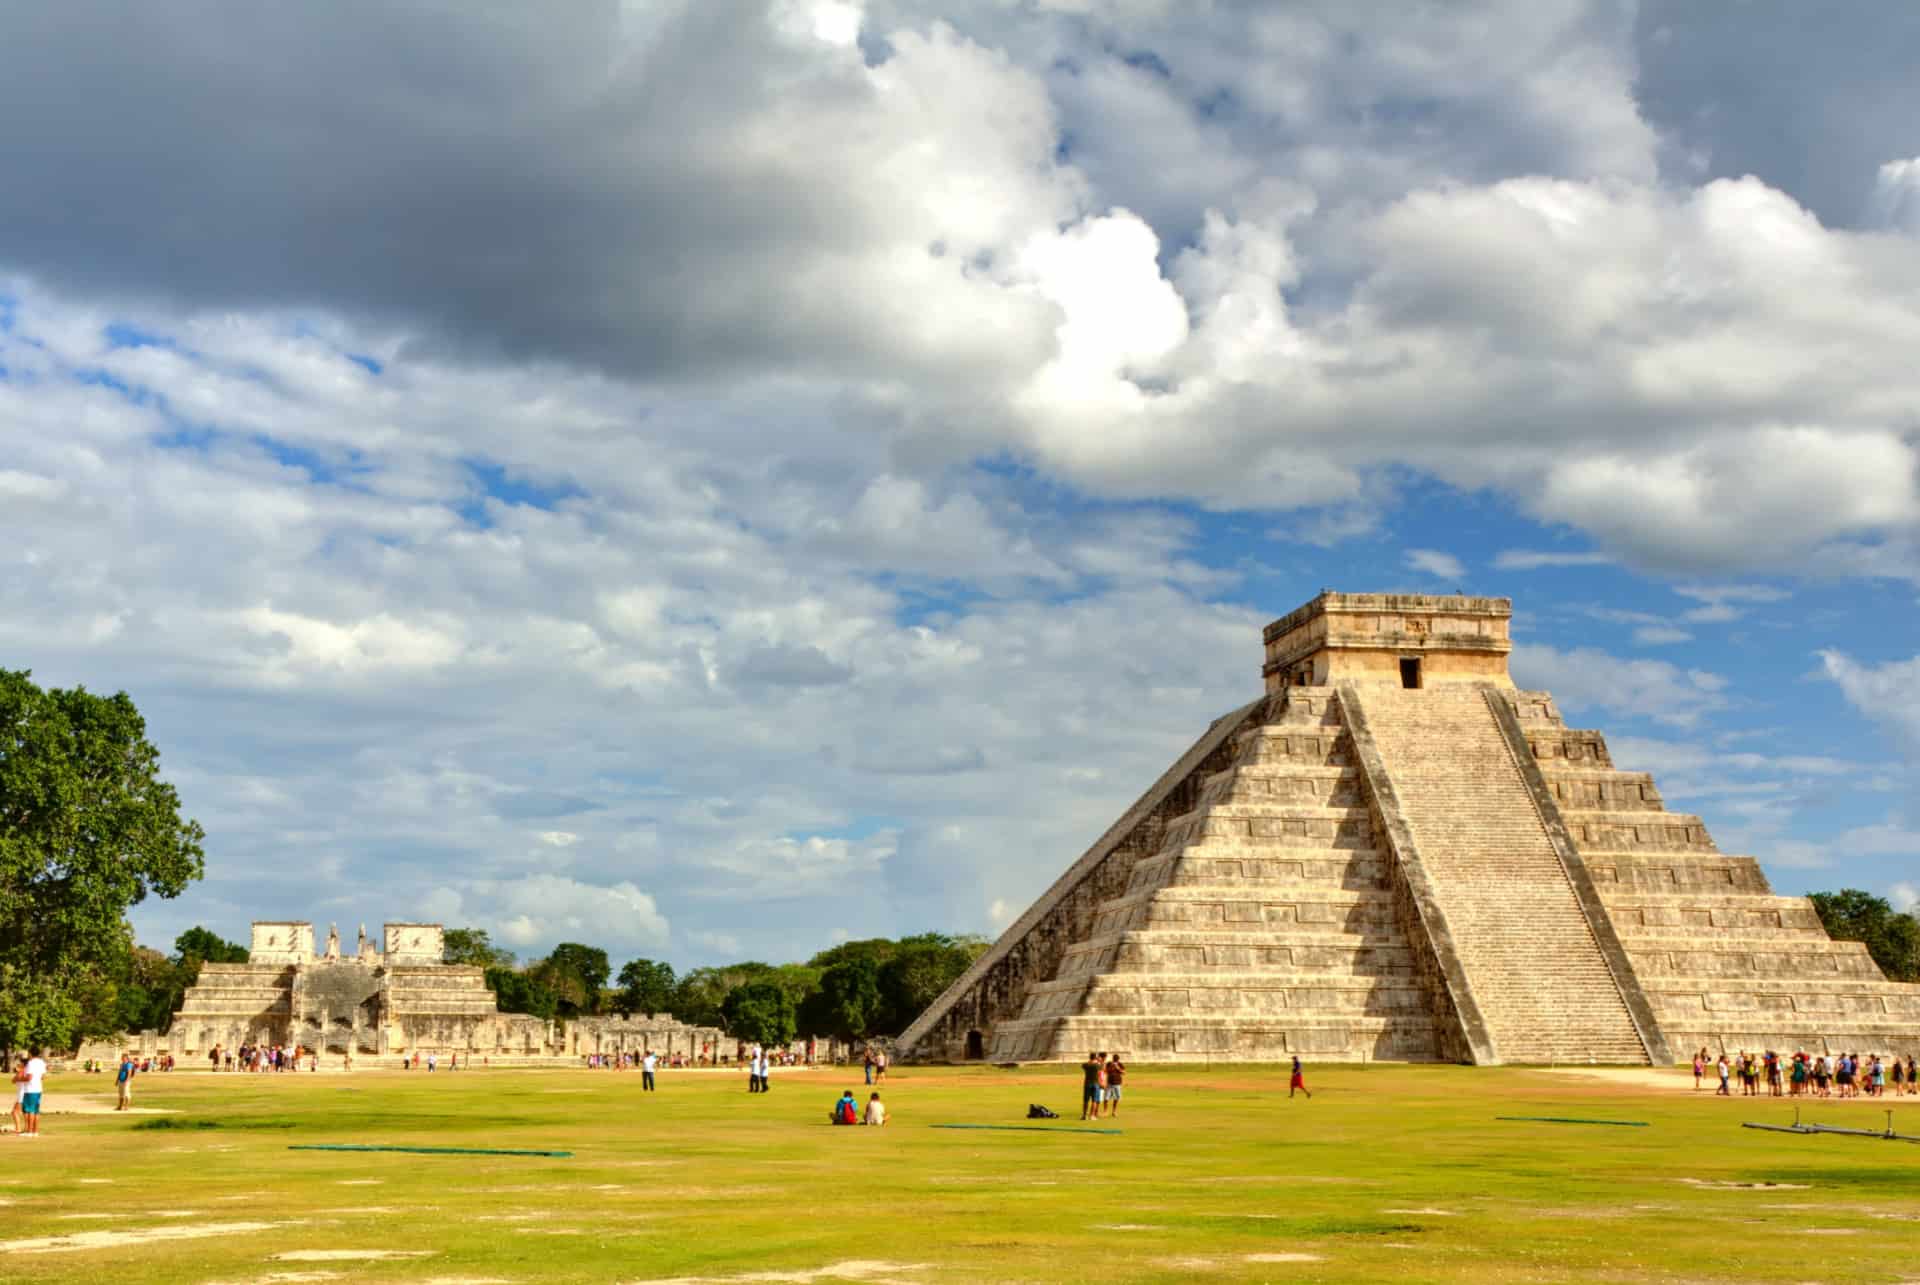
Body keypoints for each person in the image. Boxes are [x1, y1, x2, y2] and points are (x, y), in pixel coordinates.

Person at [19, 1048, 47, 1137]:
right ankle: (35, 1131)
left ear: (30, 1053)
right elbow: (43, 1076)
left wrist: (19, 1079)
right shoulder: (41, 1062)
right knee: (36, 1111)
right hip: (38, 1089)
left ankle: (29, 1131)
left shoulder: (30, 1063)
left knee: (29, 1110)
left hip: (30, 1089)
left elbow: (29, 1077)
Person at [1080, 1051, 1102, 1121]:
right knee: (1094, 1100)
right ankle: (1092, 1116)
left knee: (1086, 1100)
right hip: (1095, 1083)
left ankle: (1084, 1115)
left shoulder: (1086, 1065)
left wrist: (1090, 1061)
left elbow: (1083, 1065)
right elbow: (1100, 1069)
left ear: (1090, 1057)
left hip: (1087, 1083)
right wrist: (1098, 1061)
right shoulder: (1097, 1065)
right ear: (1095, 1057)